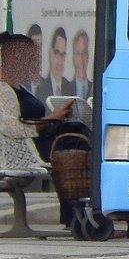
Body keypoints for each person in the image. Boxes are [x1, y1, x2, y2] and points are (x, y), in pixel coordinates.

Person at [0, 33, 86, 226]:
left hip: (35, 141)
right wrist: (52, 118)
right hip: (22, 148)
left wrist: (55, 119)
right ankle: (76, 216)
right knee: (70, 149)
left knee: (76, 137)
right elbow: (13, 127)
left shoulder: (18, 86)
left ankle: (80, 214)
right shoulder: (3, 89)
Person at [35, 26, 70, 102]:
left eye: (63, 54)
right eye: (56, 53)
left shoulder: (70, 88)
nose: (60, 61)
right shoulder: (41, 89)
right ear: (51, 53)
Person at [70, 29, 92, 100]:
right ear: (73, 58)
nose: (81, 59)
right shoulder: (66, 89)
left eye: (84, 53)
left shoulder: (95, 88)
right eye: (77, 53)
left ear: (88, 56)